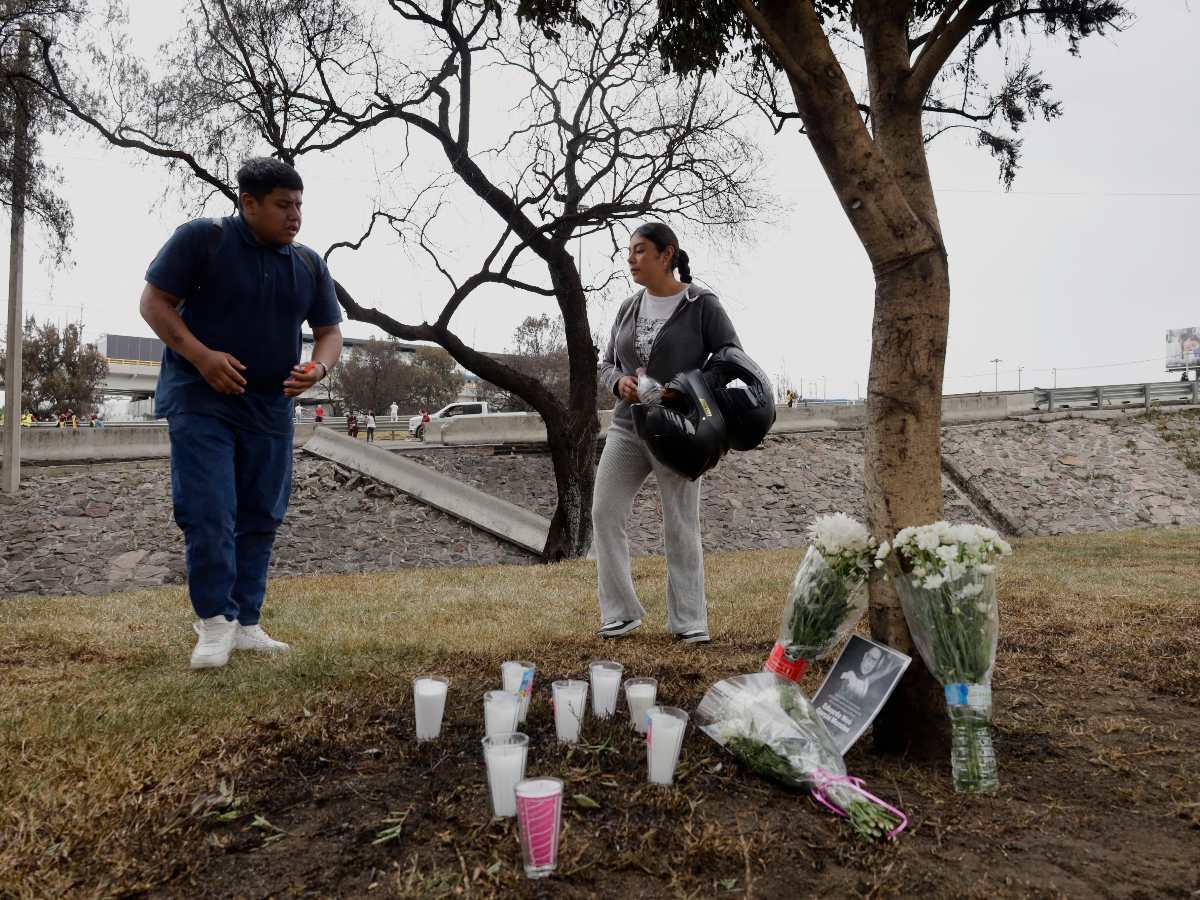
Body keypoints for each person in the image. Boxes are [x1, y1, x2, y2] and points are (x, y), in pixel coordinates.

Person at [141, 156, 343, 670]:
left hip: (270, 409)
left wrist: (318, 371)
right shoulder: (202, 239)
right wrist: (202, 357)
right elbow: (154, 303)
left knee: (261, 516)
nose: (294, 215)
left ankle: (247, 624)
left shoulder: (309, 264)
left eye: (299, 204)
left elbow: (329, 332)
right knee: (209, 511)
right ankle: (213, 623)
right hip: (201, 400)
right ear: (248, 203)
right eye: (282, 205)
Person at [593, 222, 741, 645]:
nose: (631, 259)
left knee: (680, 523)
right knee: (604, 512)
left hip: (680, 431)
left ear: (666, 254)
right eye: (629, 251)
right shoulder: (626, 307)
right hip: (627, 426)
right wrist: (615, 382)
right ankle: (620, 613)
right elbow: (606, 363)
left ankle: (689, 621)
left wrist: (684, 386)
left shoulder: (701, 305)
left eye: (640, 250)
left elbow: (730, 358)